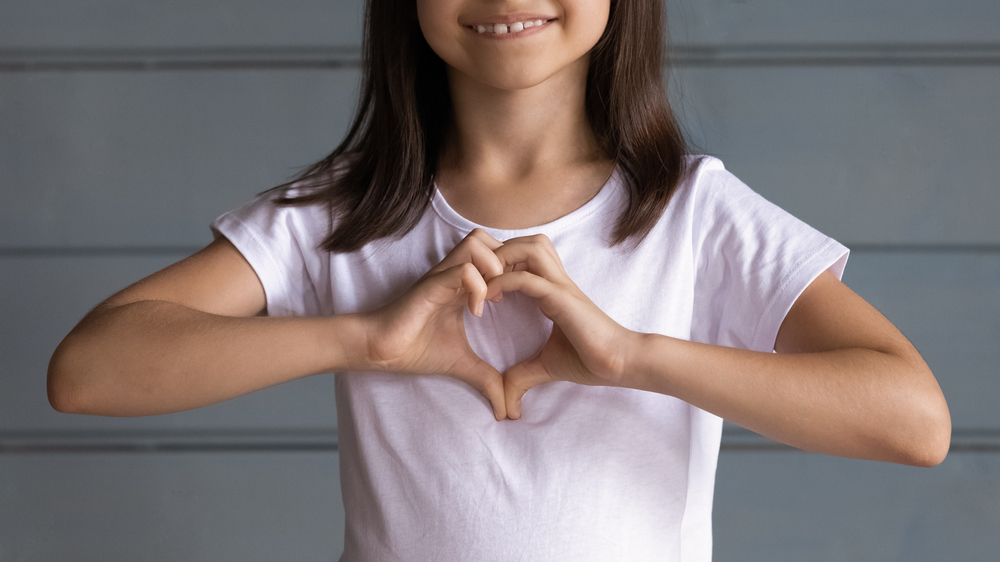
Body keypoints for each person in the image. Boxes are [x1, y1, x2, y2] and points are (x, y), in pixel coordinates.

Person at [48, 0, 951, 560]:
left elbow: (912, 422)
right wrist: (368, 338)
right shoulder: (343, 212)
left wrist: (632, 355)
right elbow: (88, 372)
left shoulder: (694, 215)